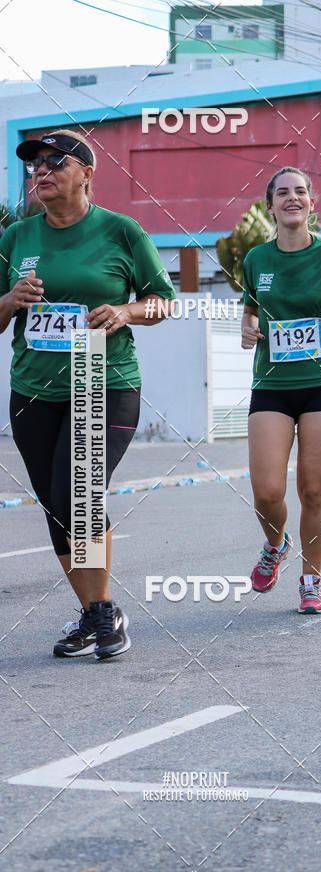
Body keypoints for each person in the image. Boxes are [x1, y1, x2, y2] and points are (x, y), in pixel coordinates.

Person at [0, 130, 175, 658]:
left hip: (104, 382)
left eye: (55, 162)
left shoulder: (122, 232)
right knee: (57, 507)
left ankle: (101, 615)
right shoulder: (16, 239)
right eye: (35, 166)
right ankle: (96, 611)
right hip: (33, 389)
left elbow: (163, 300)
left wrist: (125, 311)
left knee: (77, 494)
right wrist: (10, 299)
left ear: (87, 173)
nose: (42, 172)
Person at [240, 166, 321, 614]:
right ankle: (276, 544)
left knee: (313, 489)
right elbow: (251, 312)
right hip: (271, 383)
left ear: (312, 202)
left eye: (301, 192)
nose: (293, 198)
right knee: (267, 490)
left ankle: (311, 579)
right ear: (270, 205)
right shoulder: (255, 259)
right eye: (283, 193)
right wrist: (248, 331)